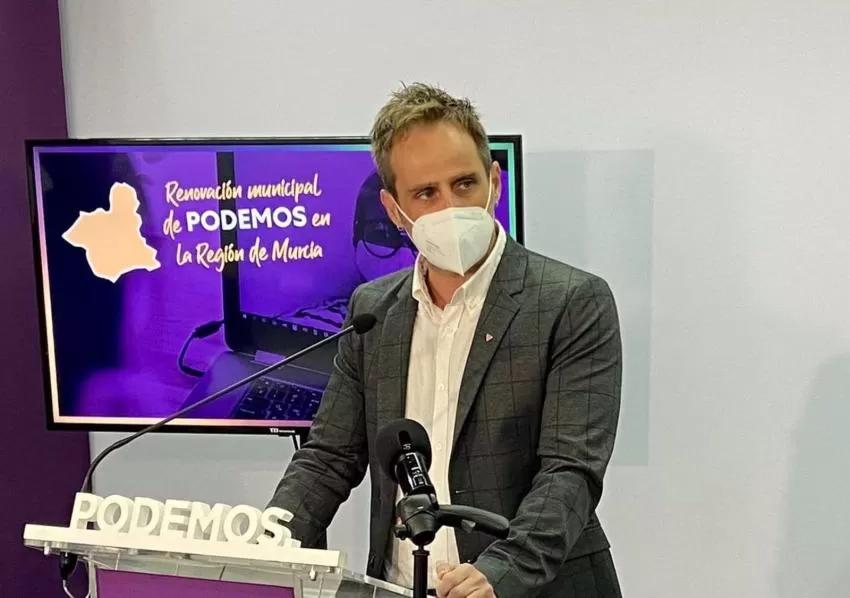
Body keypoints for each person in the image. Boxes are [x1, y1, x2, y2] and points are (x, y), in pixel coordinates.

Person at [268, 83, 623, 598]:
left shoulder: (572, 301)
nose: (450, 207)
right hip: (400, 584)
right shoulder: (373, 310)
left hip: (533, 587)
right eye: (426, 194)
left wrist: (501, 571)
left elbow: (570, 471)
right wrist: (266, 544)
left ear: (493, 183)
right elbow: (329, 456)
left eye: (464, 184)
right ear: (395, 210)